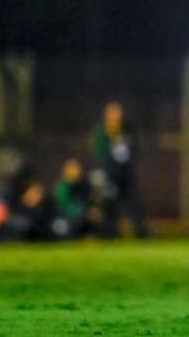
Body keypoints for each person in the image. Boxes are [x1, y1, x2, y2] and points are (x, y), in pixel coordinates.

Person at [91, 102, 149, 238]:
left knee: (134, 206)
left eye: (117, 113)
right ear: (106, 115)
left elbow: (135, 149)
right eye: (112, 113)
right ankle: (109, 236)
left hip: (126, 175)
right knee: (109, 208)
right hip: (110, 175)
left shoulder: (127, 130)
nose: (115, 116)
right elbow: (98, 153)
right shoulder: (101, 132)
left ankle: (142, 236)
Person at [52, 158, 98, 239]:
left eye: (75, 168)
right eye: (71, 169)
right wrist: (83, 213)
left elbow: (90, 201)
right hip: (66, 219)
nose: (73, 172)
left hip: (83, 218)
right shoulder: (62, 188)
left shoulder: (85, 185)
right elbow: (65, 208)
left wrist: (92, 210)